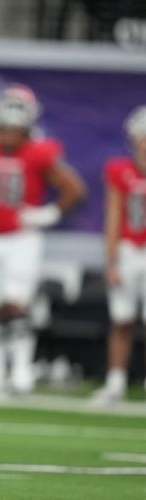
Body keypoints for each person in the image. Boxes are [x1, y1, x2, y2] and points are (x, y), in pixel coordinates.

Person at [0, 84, 86, 395]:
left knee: (16, 304)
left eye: (15, 129)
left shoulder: (40, 152)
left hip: (21, 239)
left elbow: (74, 188)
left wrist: (48, 213)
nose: (9, 135)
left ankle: (21, 372)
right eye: (5, 128)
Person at [92, 106, 146, 403]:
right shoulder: (119, 171)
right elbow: (113, 218)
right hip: (129, 249)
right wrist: (110, 260)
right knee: (121, 318)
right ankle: (115, 381)